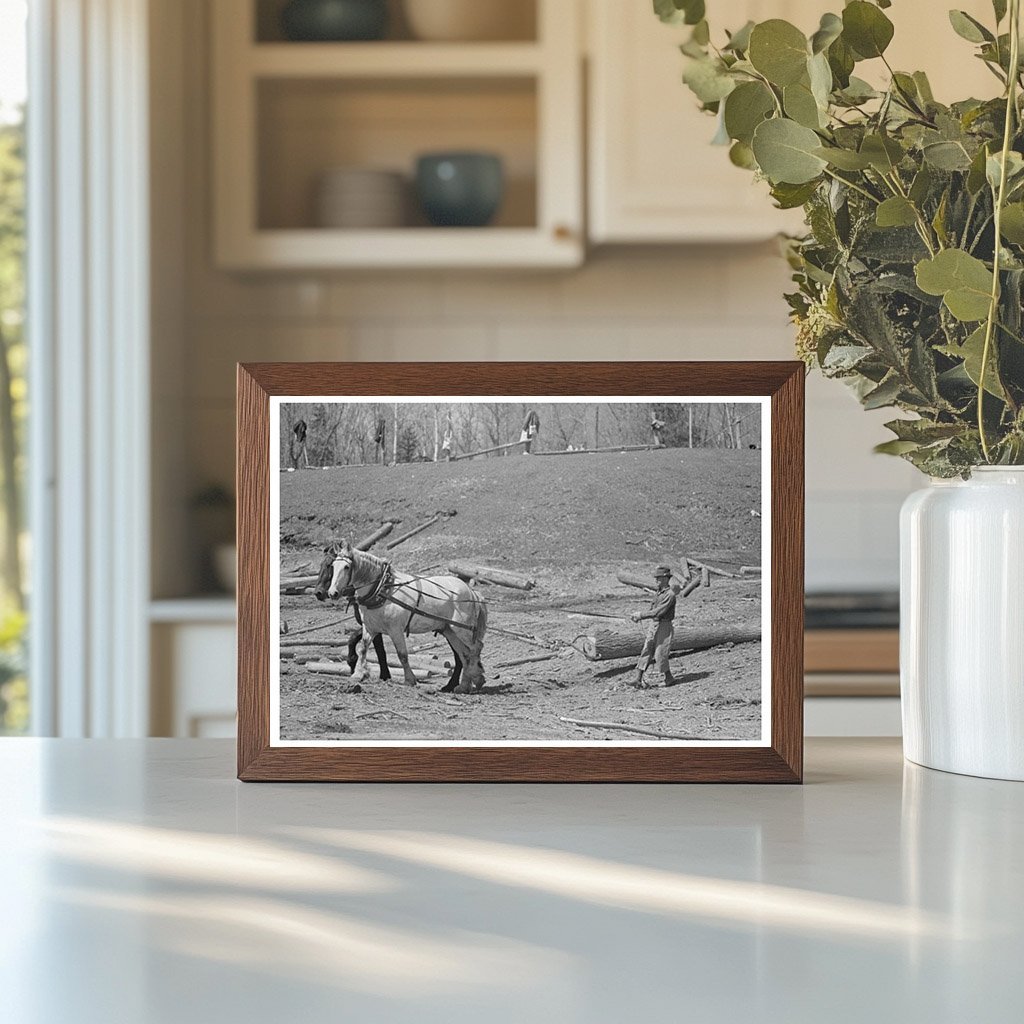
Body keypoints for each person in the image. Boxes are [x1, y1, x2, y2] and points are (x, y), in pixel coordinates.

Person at [630, 565, 677, 689]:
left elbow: (658, 612)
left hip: (664, 626)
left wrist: (641, 615)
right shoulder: (658, 593)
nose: (656, 580)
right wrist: (641, 616)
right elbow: (652, 610)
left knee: (660, 653)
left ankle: (669, 678)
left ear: (666, 578)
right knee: (646, 649)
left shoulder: (670, 595)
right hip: (654, 624)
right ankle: (638, 679)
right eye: (656, 578)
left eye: (659, 578)